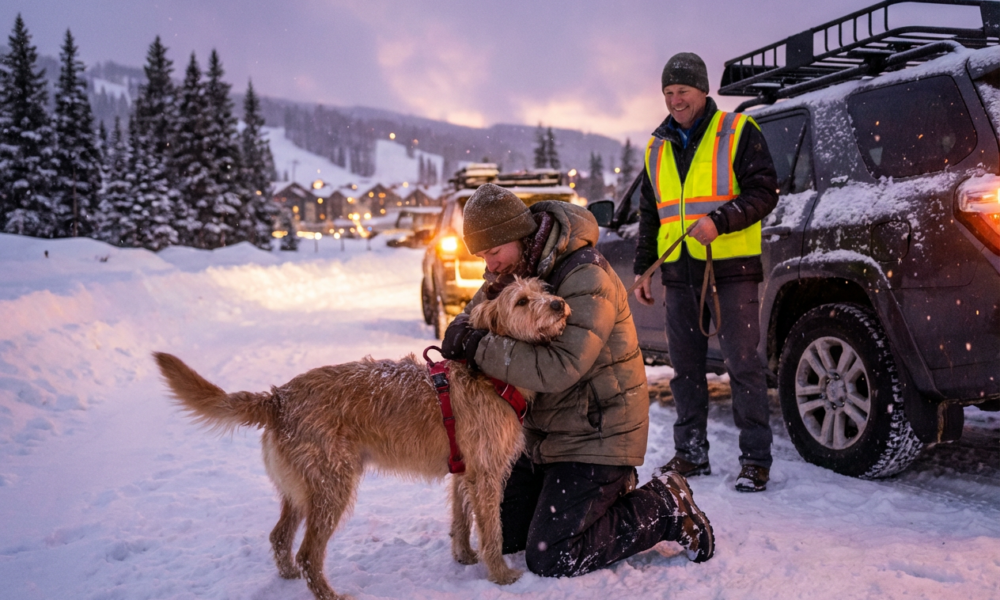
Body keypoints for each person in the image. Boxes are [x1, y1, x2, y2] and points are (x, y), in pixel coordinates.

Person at [440, 183, 714, 577]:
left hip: (597, 436)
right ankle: (593, 500)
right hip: (544, 440)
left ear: (516, 236)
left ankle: (664, 505)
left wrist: (477, 346)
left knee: (551, 553)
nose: (490, 264)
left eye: (493, 252)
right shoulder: (511, 272)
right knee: (505, 535)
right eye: (483, 256)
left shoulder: (585, 274)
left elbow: (559, 366)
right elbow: (471, 321)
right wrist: (463, 332)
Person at [632, 52, 779, 492]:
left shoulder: (737, 131)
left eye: (683, 91)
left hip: (729, 271)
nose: (676, 100)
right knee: (685, 370)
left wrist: (722, 220)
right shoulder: (656, 146)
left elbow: (764, 192)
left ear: (703, 91)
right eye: (669, 93)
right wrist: (643, 269)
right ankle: (691, 454)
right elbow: (649, 214)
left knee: (743, 365)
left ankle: (755, 459)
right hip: (678, 274)